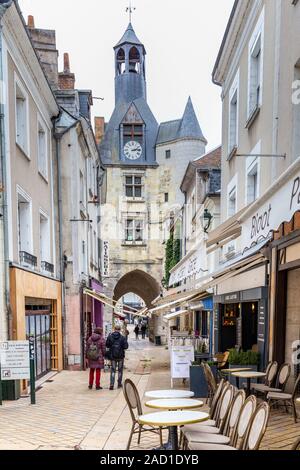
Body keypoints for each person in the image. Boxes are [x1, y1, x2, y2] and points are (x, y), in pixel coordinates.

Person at [106, 325, 128, 390]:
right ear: (120, 329)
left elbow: (107, 345)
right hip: (120, 356)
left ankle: (111, 384)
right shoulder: (122, 337)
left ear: (114, 329)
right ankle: (119, 384)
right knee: (120, 370)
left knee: (113, 370)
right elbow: (126, 347)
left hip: (112, 356)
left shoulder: (110, 337)